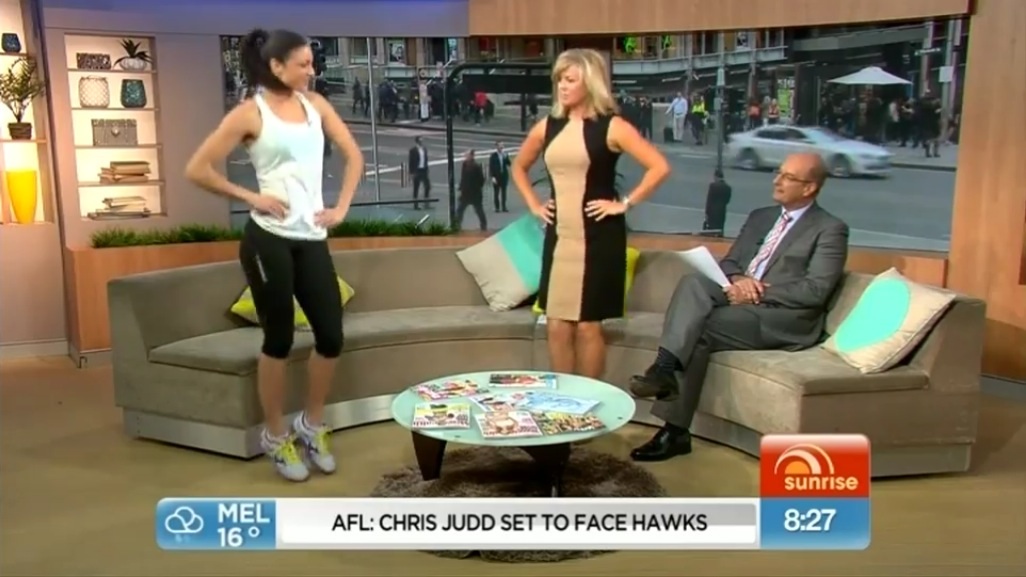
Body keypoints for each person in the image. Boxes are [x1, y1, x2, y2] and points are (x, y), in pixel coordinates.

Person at [184, 28, 365, 481]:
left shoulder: (316, 105)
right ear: (276, 66)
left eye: (312, 63)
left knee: (331, 336)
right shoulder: (250, 113)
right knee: (279, 339)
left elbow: (353, 155)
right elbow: (197, 169)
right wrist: (251, 197)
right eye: (303, 64)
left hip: (312, 237)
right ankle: (275, 434)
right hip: (268, 239)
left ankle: (312, 424)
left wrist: (341, 208)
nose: (312, 71)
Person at [628, 152, 849, 462]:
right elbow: (730, 261)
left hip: (783, 318)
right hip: (737, 298)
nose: (777, 181)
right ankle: (664, 370)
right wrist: (739, 278)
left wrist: (755, 293)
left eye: (787, 177)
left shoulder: (829, 229)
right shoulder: (761, 217)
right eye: (778, 172)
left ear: (809, 187)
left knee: (697, 329)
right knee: (693, 283)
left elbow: (816, 290)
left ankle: (673, 427)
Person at [510, 48, 670, 379]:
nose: (562, 86)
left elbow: (659, 167)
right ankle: (562, 397)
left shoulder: (613, 127)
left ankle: (590, 400)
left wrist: (624, 203)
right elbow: (519, 167)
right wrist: (535, 206)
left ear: (590, 82)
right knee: (556, 323)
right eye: (559, 80)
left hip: (599, 237)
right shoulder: (547, 126)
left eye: (570, 80)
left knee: (587, 326)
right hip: (560, 238)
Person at [457, 149, 487, 231]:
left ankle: (483, 225)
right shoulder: (464, 164)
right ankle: (457, 225)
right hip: (465, 193)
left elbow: (481, 179)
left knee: (479, 210)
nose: (465, 156)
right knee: (460, 209)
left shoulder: (476, 166)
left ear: (471, 156)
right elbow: (463, 177)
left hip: (475, 193)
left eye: (467, 155)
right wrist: (461, 187)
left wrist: (476, 187)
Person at [703, 169, 731, 237]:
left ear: (716, 176)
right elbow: (727, 200)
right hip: (722, 211)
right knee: (720, 228)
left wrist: (707, 212)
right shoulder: (728, 188)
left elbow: (709, 200)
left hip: (712, 212)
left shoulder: (713, 186)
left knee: (711, 229)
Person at [408, 136, 431, 210]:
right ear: (417, 141)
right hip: (417, 170)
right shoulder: (413, 150)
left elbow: (426, 159)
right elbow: (411, 161)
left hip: (423, 170)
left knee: (427, 186)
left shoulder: (424, 149)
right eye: (420, 140)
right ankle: (415, 205)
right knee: (416, 188)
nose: (421, 142)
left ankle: (426, 203)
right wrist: (411, 172)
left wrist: (426, 168)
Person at [488, 141, 512, 212]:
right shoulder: (493, 156)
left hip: (504, 176)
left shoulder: (505, 154)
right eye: (500, 145)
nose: (501, 147)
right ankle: (497, 207)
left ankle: (504, 207)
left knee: (504, 192)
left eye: (502, 146)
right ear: (497, 147)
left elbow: (509, 164)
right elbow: (491, 167)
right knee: (496, 193)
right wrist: (492, 177)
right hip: (496, 176)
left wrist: (506, 157)